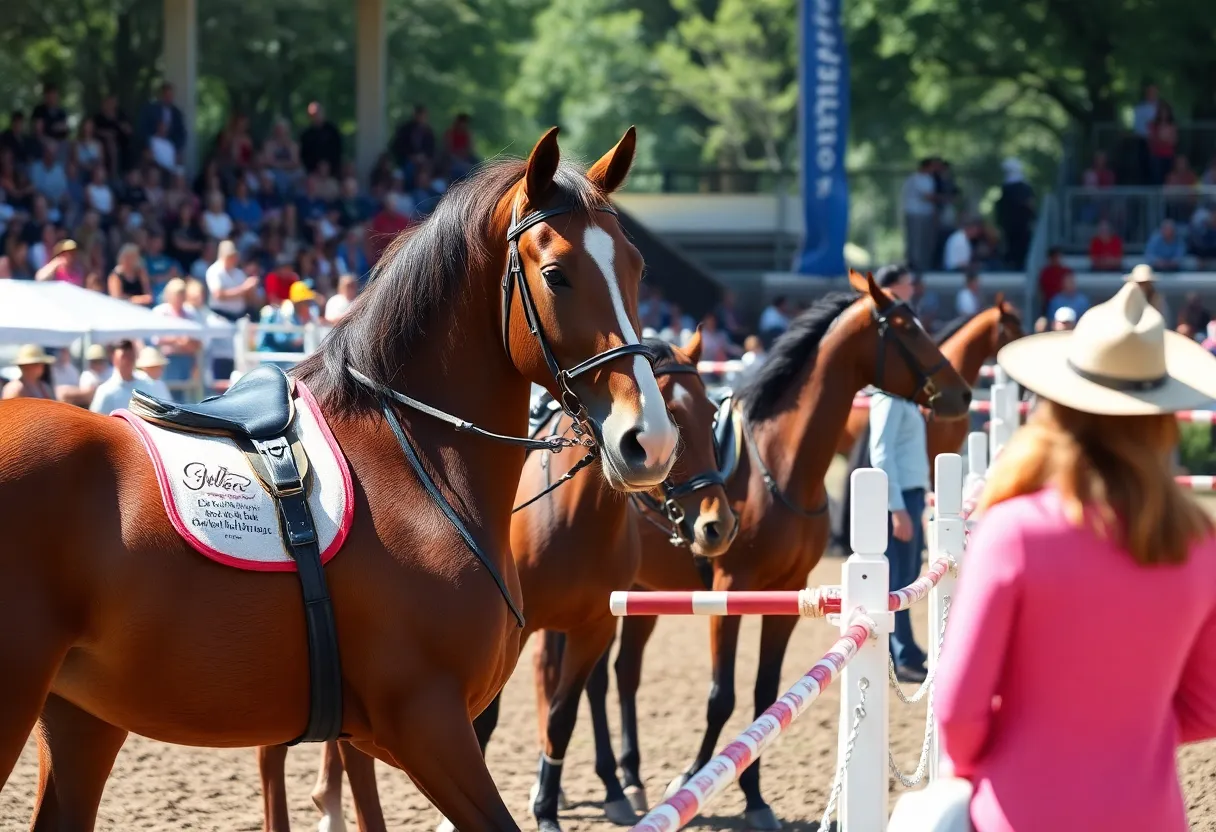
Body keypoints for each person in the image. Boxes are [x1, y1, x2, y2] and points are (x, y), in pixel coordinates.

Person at [936, 280, 1216, 831]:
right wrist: (1127, 732)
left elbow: (957, 711)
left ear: (1057, 405)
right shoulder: (1199, 543)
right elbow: (1207, 705)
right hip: (1150, 814)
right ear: (1162, 416)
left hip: (1020, 811)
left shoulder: (1014, 532)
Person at [868, 355, 929, 683]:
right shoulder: (888, 400)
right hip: (901, 497)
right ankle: (900, 653)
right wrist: (896, 508)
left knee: (907, 577)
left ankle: (906, 650)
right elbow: (881, 454)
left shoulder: (901, 399)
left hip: (910, 494)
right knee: (897, 582)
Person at [90, 340, 154, 414]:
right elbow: (96, 420)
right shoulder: (105, 391)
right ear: (114, 359)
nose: (128, 360)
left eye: (131, 356)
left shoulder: (146, 384)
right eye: (124, 356)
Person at [205, 240, 259, 321]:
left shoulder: (239, 273)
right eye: (231, 256)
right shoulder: (214, 271)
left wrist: (250, 289)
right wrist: (244, 289)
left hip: (238, 316)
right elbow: (218, 295)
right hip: (220, 317)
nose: (234, 258)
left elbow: (248, 298)